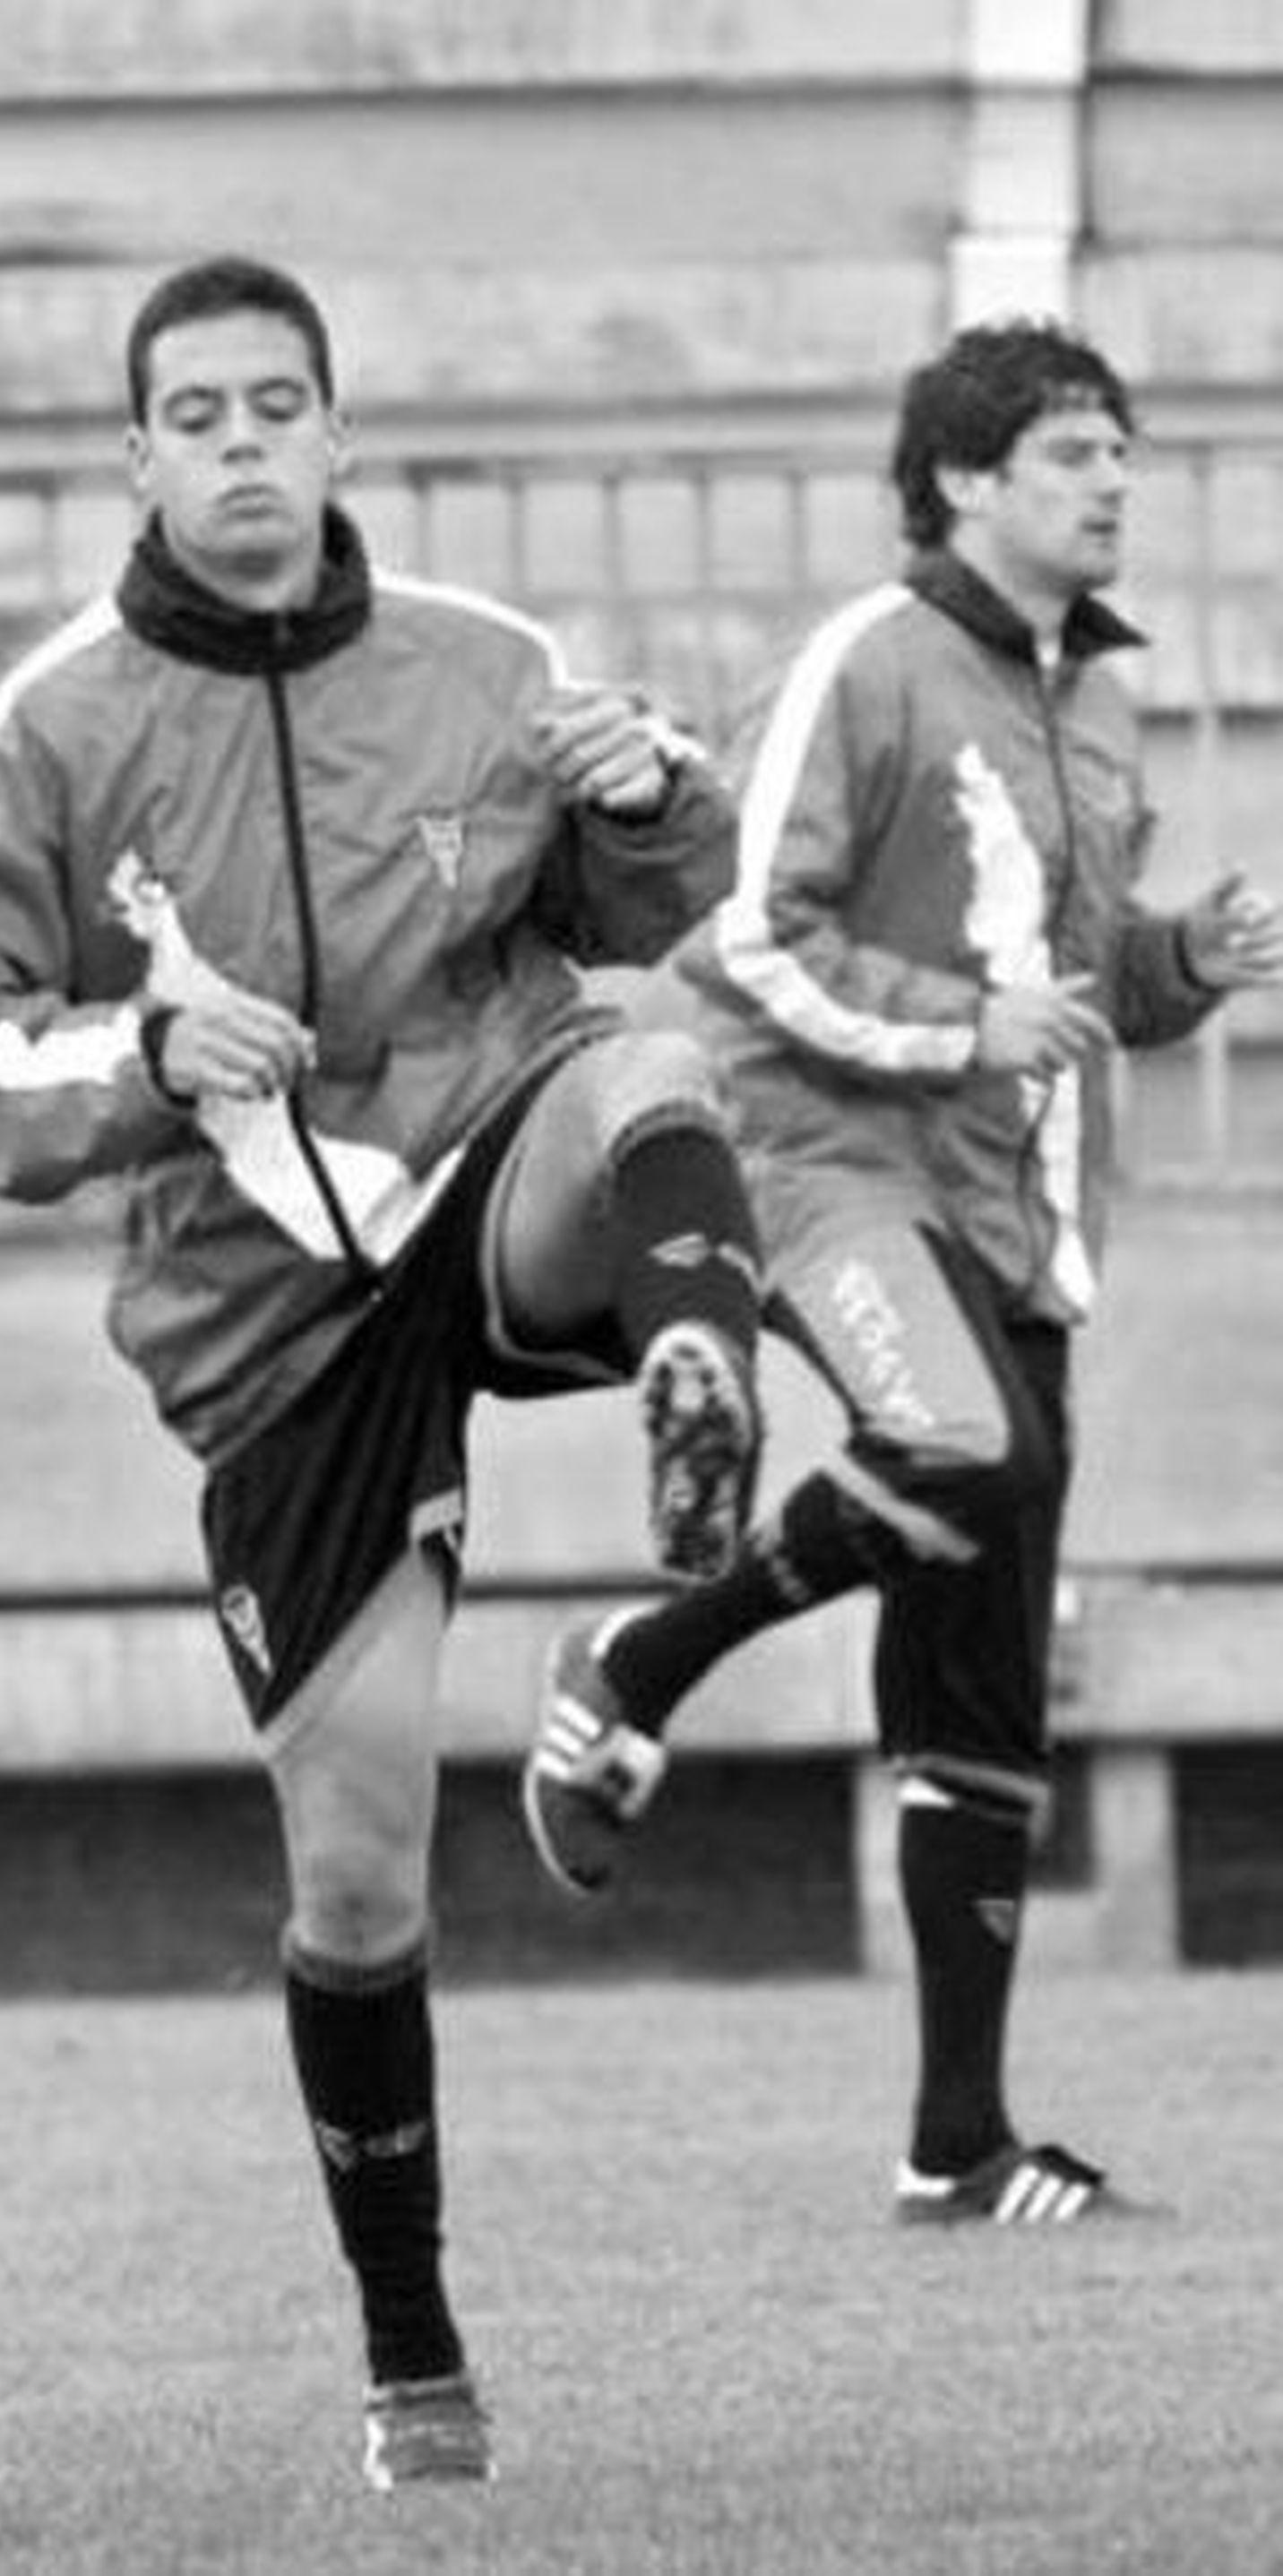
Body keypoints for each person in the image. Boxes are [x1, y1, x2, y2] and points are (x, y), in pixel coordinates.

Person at [0, 255, 766, 2487]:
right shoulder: (56, 727)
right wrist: (146, 1052)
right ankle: (413, 2361)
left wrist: (652, 790)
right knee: (358, 1881)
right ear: (137, 458)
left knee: (645, 1054)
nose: (247, 442)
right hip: (273, 1336)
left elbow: (666, 904)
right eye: (201, 412)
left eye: (284, 404)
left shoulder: (487, 668)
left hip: (491, 1173)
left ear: (341, 435)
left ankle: (697, 1372)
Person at [524, 317, 1283, 2224]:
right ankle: (634, 1657)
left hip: (1017, 1214)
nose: (1112, 480)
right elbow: (735, 936)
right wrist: (957, 1027)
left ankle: (954, 2143)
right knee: (967, 1454)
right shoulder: (863, 662)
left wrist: (1183, 954)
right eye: (1068, 453)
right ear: (957, 481)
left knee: (980, 1670)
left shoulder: (1092, 706)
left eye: (1121, 450)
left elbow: (1079, 986)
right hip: (823, 1157)